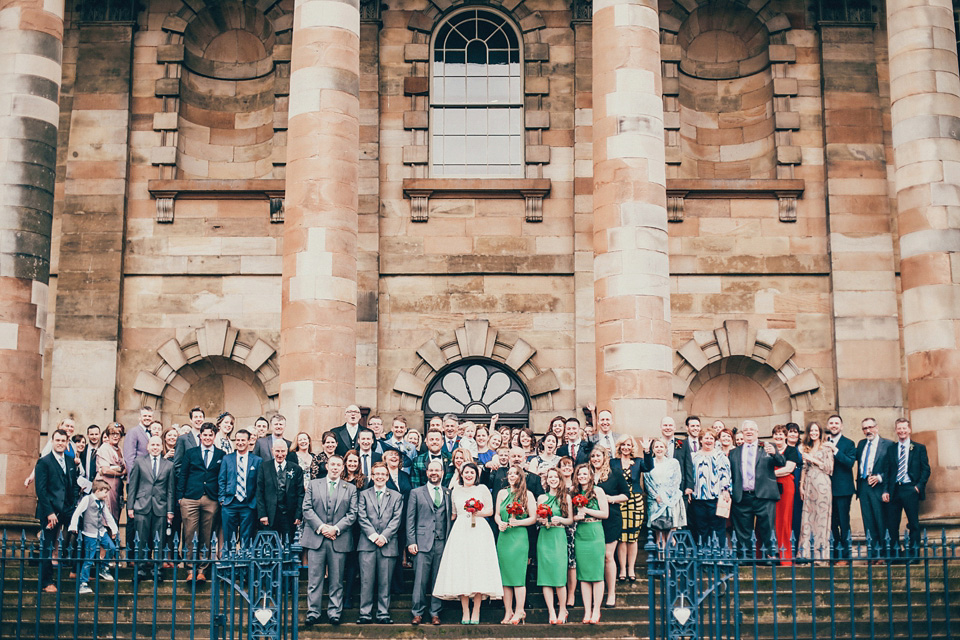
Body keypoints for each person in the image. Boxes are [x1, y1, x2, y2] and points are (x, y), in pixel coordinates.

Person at [433, 462, 503, 624]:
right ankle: (465, 610)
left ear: (476, 475)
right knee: (461, 569)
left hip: (479, 531)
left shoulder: (482, 489)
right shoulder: (455, 490)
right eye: (466, 472)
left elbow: (490, 511)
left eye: (472, 472)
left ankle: (476, 609)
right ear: (461, 474)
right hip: (460, 531)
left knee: (478, 569)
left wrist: (476, 512)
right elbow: (453, 513)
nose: (469, 475)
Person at [301, 456, 358, 626]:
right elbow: (307, 508)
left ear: (343, 468)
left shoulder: (351, 488)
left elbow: (352, 513)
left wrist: (336, 529)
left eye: (338, 465)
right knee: (314, 578)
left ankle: (334, 612)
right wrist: (322, 528)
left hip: (338, 538)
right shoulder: (313, 484)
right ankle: (313, 612)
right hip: (316, 538)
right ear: (327, 466)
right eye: (332, 464)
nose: (335, 468)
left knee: (337, 579)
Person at [406, 459, 453, 626]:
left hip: (441, 543)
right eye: (431, 470)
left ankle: (435, 613)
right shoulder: (416, 493)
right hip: (422, 543)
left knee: (437, 579)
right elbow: (410, 519)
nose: (434, 473)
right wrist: (411, 541)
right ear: (426, 473)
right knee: (419, 580)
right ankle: (417, 613)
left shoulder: (448, 493)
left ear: (442, 473)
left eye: (437, 470)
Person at [356, 462, 404, 624]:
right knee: (366, 581)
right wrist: (373, 536)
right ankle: (365, 613)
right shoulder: (363, 495)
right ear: (372, 476)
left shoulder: (396, 496)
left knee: (385, 581)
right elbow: (361, 517)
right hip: (367, 545)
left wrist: (384, 536)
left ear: (387, 476)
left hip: (388, 544)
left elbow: (396, 519)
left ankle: (383, 613)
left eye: (383, 474)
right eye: (377, 474)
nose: (380, 477)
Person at [728, 421, 785, 557]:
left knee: (768, 528)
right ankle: (745, 557)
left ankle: (771, 556)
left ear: (757, 432)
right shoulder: (734, 452)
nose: (749, 432)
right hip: (742, 496)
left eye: (752, 429)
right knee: (743, 530)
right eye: (746, 429)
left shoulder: (768, 447)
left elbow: (782, 462)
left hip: (764, 495)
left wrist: (774, 454)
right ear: (742, 432)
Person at [177, 423, 225, 581]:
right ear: (200, 436)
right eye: (204, 435)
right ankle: (191, 569)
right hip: (190, 498)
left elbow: (221, 477)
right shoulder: (191, 453)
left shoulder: (221, 454)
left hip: (211, 499)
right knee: (190, 534)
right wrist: (180, 497)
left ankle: (202, 571)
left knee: (207, 535)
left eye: (210, 435)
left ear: (214, 436)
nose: (207, 438)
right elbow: (183, 474)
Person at [35, 429, 78, 593]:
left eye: (63, 440)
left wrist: (73, 503)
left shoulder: (69, 461)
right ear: (52, 442)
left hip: (67, 509)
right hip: (50, 510)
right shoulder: (44, 462)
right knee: (47, 545)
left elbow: (73, 485)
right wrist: (49, 513)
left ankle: (76, 570)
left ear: (67, 442)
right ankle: (47, 582)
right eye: (57, 440)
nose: (60, 443)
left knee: (79, 534)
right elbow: (41, 490)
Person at [494, 465, 537, 624]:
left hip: (519, 538)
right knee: (505, 577)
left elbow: (533, 518)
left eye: (515, 474)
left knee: (518, 576)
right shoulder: (501, 493)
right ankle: (508, 611)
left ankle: (520, 610)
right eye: (510, 473)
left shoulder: (528, 494)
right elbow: (497, 514)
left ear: (521, 477)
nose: (512, 476)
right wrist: (500, 523)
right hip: (504, 537)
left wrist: (518, 523)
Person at [126, 435, 175, 575]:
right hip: (142, 505)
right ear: (148, 447)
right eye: (152, 445)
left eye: (157, 445)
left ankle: (157, 569)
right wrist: (130, 506)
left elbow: (170, 490)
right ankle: (140, 568)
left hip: (161, 506)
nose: (155, 448)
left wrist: (170, 510)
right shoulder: (139, 462)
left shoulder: (169, 465)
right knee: (141, 538)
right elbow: (133, 486)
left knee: (158, 539)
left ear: (161, 447)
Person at [588, 446, 629, 608]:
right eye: (593, 456)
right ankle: (595, 591)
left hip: (611, 518)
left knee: (607, 556)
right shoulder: (587, 474)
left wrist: (609, 498)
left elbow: (626, 495)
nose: (595, 459)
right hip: (591, 521)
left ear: (605, 457)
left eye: (598, 456)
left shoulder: (615, 474)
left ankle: (611, 593)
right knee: (594, 556)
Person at [887, 418, 930, 558]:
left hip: (910, 489)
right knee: (892, 524)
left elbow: (926, 470)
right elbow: (888, 471)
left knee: (913, 523)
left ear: (909, 429)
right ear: (896, 430)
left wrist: (918, 486)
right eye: (899, 428)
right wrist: (886, 490)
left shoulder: (919, 448)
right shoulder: (891, 449)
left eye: (904, 428)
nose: (902, 431)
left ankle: (914, 554)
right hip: (895, 490)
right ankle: (895, 553)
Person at [572, 464, 609, 624]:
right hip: (581, 533)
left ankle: (596, 610)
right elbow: (571, 516)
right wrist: (576, 517)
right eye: (579, 474)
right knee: (584, 575)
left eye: (585, 474)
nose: (582, 476)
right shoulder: (574, 492)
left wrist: (586, 510)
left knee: (596, 574)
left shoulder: (597, 491)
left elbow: (605, 513)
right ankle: (587, 611)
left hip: (595, 532)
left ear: (590, 475)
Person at [68, 480, 118, 595]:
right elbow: (77, 512)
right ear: (98, 491)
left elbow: (108, 516)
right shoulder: (87, 499)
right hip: (90, 533)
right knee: (89, 559)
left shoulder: (102, 502)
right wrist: (73, 526)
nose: (106, 495)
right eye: (105, 492)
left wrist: (114, 530)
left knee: (112, 548)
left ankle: (103, 568)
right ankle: (83, 583)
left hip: (101, 531)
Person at [537, 467, 573, 624]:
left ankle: (562, 609)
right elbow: (537, 518)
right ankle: (551, 611)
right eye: (550, 477)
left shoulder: (566, 497)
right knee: (545, 577)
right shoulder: (541, 498)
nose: (552, 479)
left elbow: (570, 519)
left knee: (559, 576)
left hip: (558, 536)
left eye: (555, 477)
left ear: (560, 479)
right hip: (545, 536)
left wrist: (560, 520)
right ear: (547, 480)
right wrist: (542, 520)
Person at [856, 417, 894, 554]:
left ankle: (884, 553)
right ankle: (872, 554)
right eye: (865, 428)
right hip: (863, 486)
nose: (868, 430)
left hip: (878, 487)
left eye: (870, 427)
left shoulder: (888, 444)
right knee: (868, 522)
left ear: (876, 428)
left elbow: (893, 468)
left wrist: (880, 477)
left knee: (881, 521)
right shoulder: (861, 444)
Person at [797, 421, 834, 561]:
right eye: (811, 431)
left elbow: (830, 468)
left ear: (820, 432)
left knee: (821, 518)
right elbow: (804, 468)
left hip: (822, 483)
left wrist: (814, 459)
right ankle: (806, 554)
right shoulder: (806, 448)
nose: (813, 433)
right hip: (809, 483)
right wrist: (801, 485)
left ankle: (821, 555)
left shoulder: (826, 448)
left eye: (816, 431)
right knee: (808, 518)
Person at [218, 429, 261, 548]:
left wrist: (255, 501)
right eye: (238, 440)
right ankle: (228, 563)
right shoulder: (227, 459)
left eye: (243, 440)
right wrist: (222, 499)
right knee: (228, 537)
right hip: (230, 503)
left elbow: (259, 484)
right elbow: (222, 479)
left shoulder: (257, 460)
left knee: (247, 537)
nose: (240, 442)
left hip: (248, 504)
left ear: (248, 441)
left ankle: (244, 563)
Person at [615, 436, 650, 582]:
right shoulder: (613, 462)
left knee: (633, 536)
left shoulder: (638, 461)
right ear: (619, 446)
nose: (626, 447)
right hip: (620, 501)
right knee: (622, 537)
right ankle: (622, 568)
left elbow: (649, 467)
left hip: (636, 500)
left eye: (628, 445)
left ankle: (631, 568)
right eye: (623, 445)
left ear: (632, 447)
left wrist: (647, 451)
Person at [689, 428, 732, 547]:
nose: (709, 441)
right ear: (701, 440)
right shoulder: (694, 456)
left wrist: (726, 490)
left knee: (718, 528)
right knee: (702, 529)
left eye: (711, 438)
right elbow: (690, 475)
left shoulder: (720, 455)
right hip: (698, 499)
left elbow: (725, 473)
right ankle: (704, 556)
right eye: (706, 438)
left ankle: (719, 557)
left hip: (716, 498)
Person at [257, 439, 304, 543]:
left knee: (289, 544)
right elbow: (259, 492)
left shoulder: (296, 469)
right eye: (277, 451)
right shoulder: (264, 467)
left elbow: (300, 494)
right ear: (272, 451)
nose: (280, 454)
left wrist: (298, 515)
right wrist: (262, 514)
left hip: (289, 514)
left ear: (287, 451)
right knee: (270, 545)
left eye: (282, 451)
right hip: (270, 514)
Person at [824, 414, 856, 558]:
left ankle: (845, 553)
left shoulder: (849, 443)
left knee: (843, 521)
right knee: (831, 523)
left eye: (837, 423)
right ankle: (835, 552)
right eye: (831, 423)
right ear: (828, 426)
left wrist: (835, 450)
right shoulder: (823, 442)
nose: (834, 425)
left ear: (841, 426)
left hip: (843, 490)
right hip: (826, 489)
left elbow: (849, 462)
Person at [644, 439, 684, 548]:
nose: (659, 449)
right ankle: (661, 560)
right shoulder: (649, 463)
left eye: (661, 446)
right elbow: (647, 482)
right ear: (653, 449)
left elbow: (677, 480)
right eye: (656, 447)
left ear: (665, 449)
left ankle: (670, 561)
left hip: (671, 500)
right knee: (659, 534)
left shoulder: (673, 462)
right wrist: (656, 496)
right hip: (656, 501)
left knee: (671, 533)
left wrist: (667, 497)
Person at [771, 425, 800, 563]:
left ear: (786, 436)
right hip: (770, 487)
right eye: (776, 435)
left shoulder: (791, 450)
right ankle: (771, 553)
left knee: (784, 519)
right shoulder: (770, 450)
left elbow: (789, 469)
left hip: (786, 486)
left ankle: (785, 556)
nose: (778, 437)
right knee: (772, 519)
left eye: (781, 435)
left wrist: (769, 474)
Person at [95, 424, 126, 525]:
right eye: (112, 434)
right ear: (108, 436)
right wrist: (120, 472)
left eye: (118, 434)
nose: (115, 436)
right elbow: (105, 470)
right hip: (106, 485)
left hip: (116, 487)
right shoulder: (105, 448)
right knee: (106, 516)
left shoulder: (120, 449)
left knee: (115, 516)